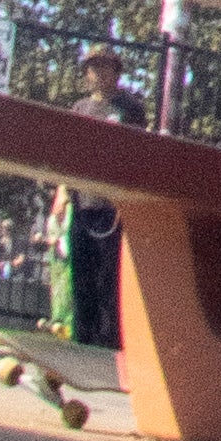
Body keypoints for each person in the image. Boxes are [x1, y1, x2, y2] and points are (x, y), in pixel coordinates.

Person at [55, 45, 149, 351]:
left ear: (117, 73)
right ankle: (83, 339)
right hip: (83, 202)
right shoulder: (80, 109)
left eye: (105, 67)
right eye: (93, 68)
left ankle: (109, 342)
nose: (98, 73)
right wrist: (62, 192)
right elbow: (69, 154)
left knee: (109, 276)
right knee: (81, 274)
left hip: (112, 206)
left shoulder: (130, 110)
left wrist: (127, 199)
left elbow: (136, 156)